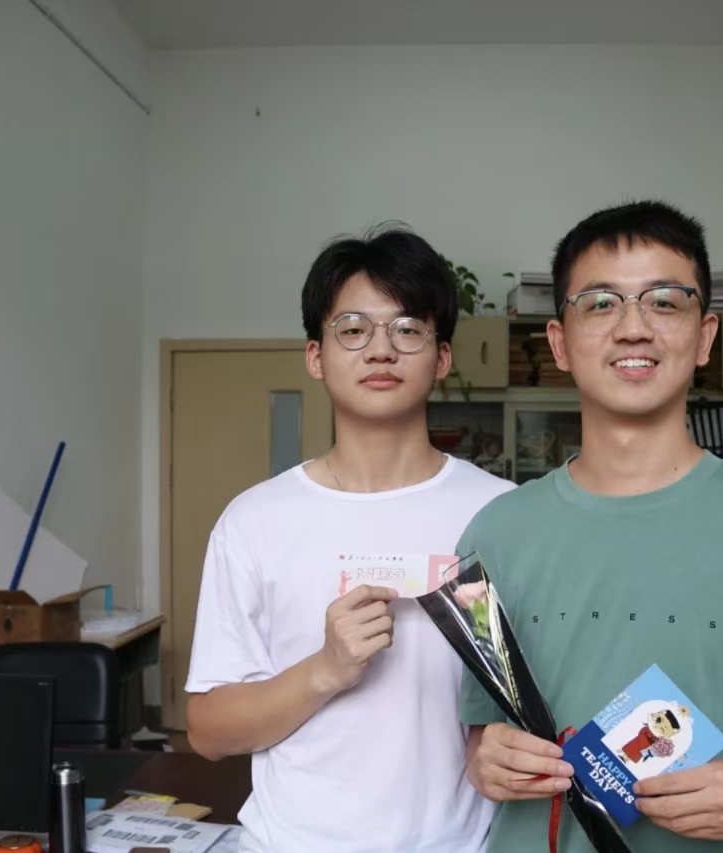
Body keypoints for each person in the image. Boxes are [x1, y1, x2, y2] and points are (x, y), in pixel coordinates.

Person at [456, 201, 723, 853]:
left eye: (663, 302)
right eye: (601, 303)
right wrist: (486, 758)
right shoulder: (494, 535)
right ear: (560, 343)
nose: (633, 328)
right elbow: (482, 737)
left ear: (705, 336)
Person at [185, 224, 514, 853]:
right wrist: (325, 670)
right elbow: (208, 730)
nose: (381, 350)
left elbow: (533, 698)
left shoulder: (502, 514)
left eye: (408, 329)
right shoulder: (254, 521)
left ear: (442, 357)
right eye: (353, 329)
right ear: (316, 356)